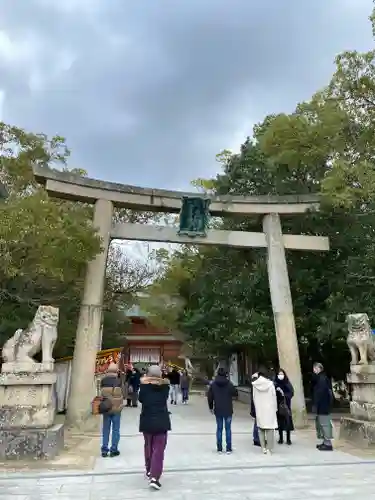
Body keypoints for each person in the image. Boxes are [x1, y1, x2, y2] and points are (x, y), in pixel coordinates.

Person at [139, 364, 171, 490]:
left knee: (148, 446)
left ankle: (149, 469)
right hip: (161, 421)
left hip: (147, 421)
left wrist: (145, 380)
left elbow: (141, 399)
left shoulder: (144, 387)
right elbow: (165, 385)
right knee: (159, 449)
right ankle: (154, 477)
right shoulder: (165, 387)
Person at [207, 367, 238, 453]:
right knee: (228, 429)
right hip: (228, 409)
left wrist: (210, 407)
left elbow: (210, 397)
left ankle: (219, 448)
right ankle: (228, 448)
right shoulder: (229, 384)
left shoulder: (213, 384)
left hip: (218, 409)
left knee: (219, 428)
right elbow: (235, 393)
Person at [100, 362, 124, 457]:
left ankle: (104, 450)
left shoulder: (103, 380)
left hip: (106, 407)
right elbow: (123, 393)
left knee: (106, 429)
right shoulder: (119, 380)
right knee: (115, 429)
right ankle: (114, 449)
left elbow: (101, 394)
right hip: (117, 409)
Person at [252, 368, 277, 454]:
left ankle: (263, 448)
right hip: (269, 409)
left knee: (261, 429)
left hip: (260, 409)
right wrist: (275, 408)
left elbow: (254, 398)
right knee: (270, 429)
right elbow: (274, 397)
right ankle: (270, 448)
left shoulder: (255, 385)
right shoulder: (271, 385)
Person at [312, 362, 334, 451]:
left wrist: (316, 404)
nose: (314, 371)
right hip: (323, 405)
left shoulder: (322, 379)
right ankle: (325, 442)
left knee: (324, 424)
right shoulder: (322, 378)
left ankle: (328, 443)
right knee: (322, 423)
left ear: (318, 369)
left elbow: (320, 393)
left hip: (323, 405)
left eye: (314, 369)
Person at [274, 369, 294, 445]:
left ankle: (288, 439)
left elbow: (291, 393)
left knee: (287, 421)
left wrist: (283, 394)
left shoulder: (287, 383)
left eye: (282, 374)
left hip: (286, 405)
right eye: (279, 374)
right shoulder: (275, 383)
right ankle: (281, 438)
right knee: (280, 422)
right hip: (278, 405)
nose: (280, 375)